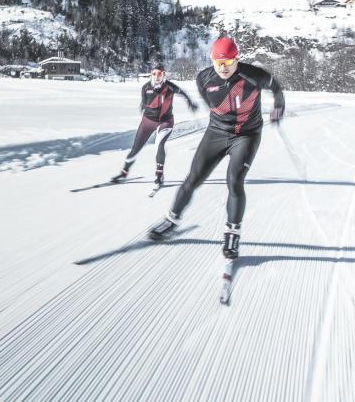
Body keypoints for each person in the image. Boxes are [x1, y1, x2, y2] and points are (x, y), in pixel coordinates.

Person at [148, 37, 285, 259]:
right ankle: (171, 220)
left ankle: (232, 232)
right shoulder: (203, 78)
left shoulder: (254, 75)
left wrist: (279, 105)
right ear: (212, 60)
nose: (223, 68)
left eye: (229, 63)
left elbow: (276, 87)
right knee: (193, 178)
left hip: (247, 135)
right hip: (217, 133)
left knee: (234, 181)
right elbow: (211, 102)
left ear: (236, 60)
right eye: (218, 63)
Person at [111, 64, 198, 186]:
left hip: (166, 121)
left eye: (160, 74)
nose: (157, 76)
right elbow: (144, 101)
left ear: (164, 75)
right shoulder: (145, 87)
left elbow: (183, 93)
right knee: (135, 148)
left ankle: (159, 174)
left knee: (159, 144)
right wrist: (143, 107)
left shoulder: (169, 87)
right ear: (151, 74)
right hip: (148, 121)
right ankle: (124, 173)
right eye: (154, 74)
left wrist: (190, 103)